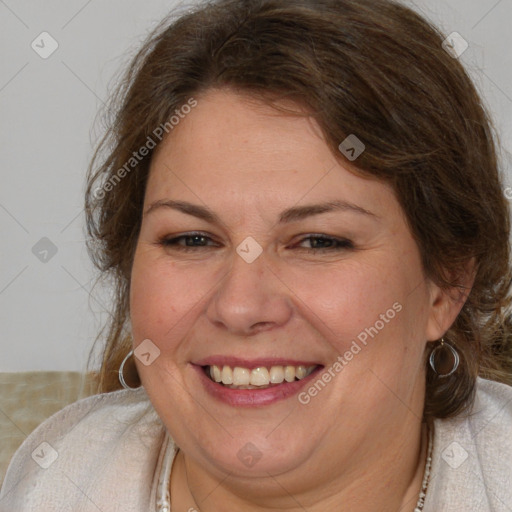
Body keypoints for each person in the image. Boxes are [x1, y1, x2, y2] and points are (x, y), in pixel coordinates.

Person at [1, 0, 512, 510]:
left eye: (319, 242)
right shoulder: (54, 480)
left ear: (446, 285)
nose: (240, 307)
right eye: (192, 239)